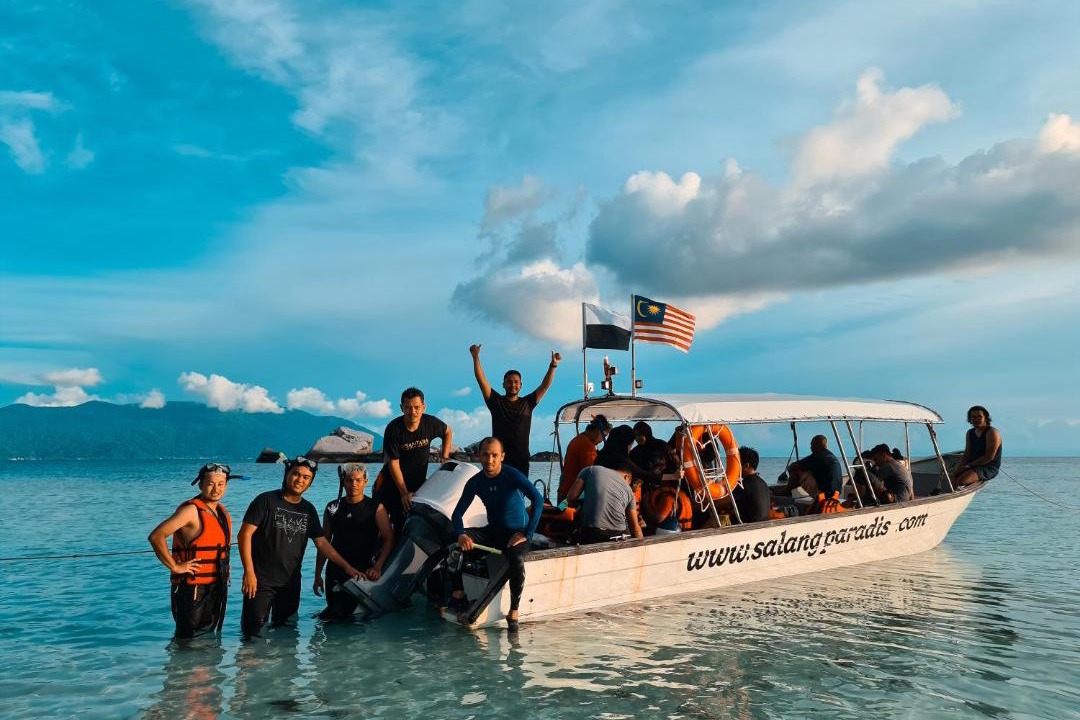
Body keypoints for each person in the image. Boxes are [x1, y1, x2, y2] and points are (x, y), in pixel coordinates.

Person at [238, 457, 363, 639]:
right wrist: (248, 572)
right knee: (252, 635)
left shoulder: (308, 510)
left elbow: (322, 543)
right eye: (296, 474)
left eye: (306, 477)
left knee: (286, 634)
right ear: (287, 474)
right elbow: (244, 534)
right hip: (260, 582)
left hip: (291, 583)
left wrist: (347, 567)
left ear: (310, 482)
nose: (300, 480)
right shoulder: (266, 500)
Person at [447, 437, 545, 631]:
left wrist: (528, 533)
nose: (489, 460)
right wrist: (461, 535)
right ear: (478, 456)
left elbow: (538, 499)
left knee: (516, 559)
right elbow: (457, 514)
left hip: (517, 533)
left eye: (494, 455)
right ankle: (458, 594)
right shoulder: (475, 482)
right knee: (454, 549)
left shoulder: (512, 475)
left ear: (502, 457)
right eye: (485, 455)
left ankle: (513, 610)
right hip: (494, 532)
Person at [148, 462, 234, 638]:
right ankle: (184, 665)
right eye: (210, 484)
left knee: (207, 639)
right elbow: (156, 536)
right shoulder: (191, 511)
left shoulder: (222, 513)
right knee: (190, 641)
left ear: (226, 485)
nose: (216, 489)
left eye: (221, 484)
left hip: (216, 586)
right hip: (193, 589)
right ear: (201, 484)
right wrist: (175, 566)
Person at [314, 464, 395, 620]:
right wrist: (318, 574)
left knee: (356, 619)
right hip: (335, 571)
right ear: (343, 482)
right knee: (333, 617)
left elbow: (389, 539)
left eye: (358, 480)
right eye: (350, 480)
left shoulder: (376, 508)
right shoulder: (332, 508)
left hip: (364, 572)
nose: (354, 484)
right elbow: (324, 543)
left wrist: (377, 566)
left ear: (365, 481)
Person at [469, 343, 560, 477]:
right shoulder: (495, 402)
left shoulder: (528, 403)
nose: (513, 384)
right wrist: (476, 357)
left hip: (521, 461)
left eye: (516, 382)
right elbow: (481, 380)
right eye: (509, 381)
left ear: (521, 385)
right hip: (499, 461)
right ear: (504, 384)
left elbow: (545, 386)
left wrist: (553, 365)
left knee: (519, 497)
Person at [376, 387, 453, 531]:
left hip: (418, 484)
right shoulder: (393, 429)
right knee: (385, 527)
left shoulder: (430, 423)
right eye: (408, 408)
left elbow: (448, 431)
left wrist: (445, 456)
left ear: (424, 407)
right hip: (392, 484)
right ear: (401, 408)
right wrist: (403, 493)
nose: (413, 412)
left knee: (411, 525)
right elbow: (393, 464)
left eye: (417, 407)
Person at [564, 461, 644, 544]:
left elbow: (571, 497)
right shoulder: (629, 491)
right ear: (626, 477)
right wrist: (642, 546)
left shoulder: (590, 470)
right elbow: (635, 527)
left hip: (592, 533)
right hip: (619, 534)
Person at [557, 415, 611, 503]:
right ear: (597, 431)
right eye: (603, 436)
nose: (602, 440)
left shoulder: (578, 439)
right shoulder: (587, 446)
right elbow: (591, 474)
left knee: (562, 511)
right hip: (573, 495)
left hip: (565, 490)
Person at [955, 405, 1002, 487]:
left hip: (988, 467)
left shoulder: (992, 432)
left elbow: (988, 457)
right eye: (973, 417)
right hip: (972, 465)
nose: (976, 419)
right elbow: (967, 454)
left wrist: (967, 466)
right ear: (970, 419)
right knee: (951, 477)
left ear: (985, 418)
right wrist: (959, 467)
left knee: (962, 481)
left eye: (979, 416)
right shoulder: (970, 433)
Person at [732, 447, 771, 523]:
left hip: (747, 528)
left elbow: (721, 502)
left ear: (746, 465)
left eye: (736, 464)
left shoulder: (744, 486)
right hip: (762, 525)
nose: (735, 467)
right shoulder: (763, 483)